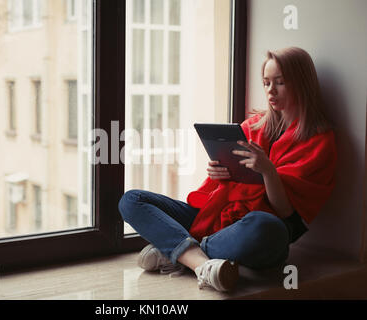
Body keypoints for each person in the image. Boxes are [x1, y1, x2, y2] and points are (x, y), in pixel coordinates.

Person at [118, 47, 337, 292]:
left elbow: (285, 211)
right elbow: (223, 188)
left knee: (268, 229)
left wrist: (268, 171)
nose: (270, 91)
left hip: (256, 227)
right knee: (131, 200)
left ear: (302, 83)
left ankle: (177, 251)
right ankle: (199, 264)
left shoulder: (319, 142)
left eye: (280, 82)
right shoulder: (253, 126)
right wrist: (218, 173)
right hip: (216, 215)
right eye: (265, 83)